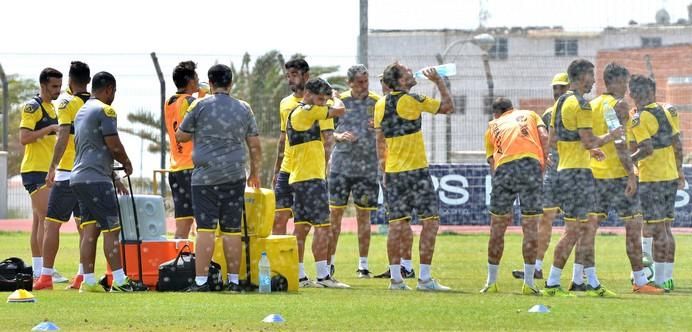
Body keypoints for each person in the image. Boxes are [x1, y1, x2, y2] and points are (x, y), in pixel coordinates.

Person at [176, 64, 262, 292]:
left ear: (210, 83)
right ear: (230, 83)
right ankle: (233, 281)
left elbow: (181, 136)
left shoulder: (199, 105)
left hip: (204, 177)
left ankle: (201, 281)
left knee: (205, 229)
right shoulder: (244, 108)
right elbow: (254, 145)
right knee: (232, 230)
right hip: (234, 175)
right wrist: (254, 172)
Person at [543, 59, 622, 297]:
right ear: (581, 77)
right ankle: (553, 282)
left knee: (581, 229)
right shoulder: (582, 104)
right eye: (591, 76)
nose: (594, 81)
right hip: (578, 174)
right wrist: (612, 135)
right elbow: (589, 140)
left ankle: (588, 282)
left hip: (564, 171)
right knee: (576, 231)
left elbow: (554, 141)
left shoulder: (560, 103)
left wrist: (585, 149)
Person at [374, 62, 454, 291]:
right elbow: (448, 107)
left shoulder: (380, 104)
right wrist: (439, 81)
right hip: (416, 172)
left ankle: (396, 280)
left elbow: (379, 140)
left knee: (396, 226)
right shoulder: (411, 100)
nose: (412, 72)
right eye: (407, 72)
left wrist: (384, 168)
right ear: (400, 81)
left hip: (394, 173)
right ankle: (425, 279)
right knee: (431, 222)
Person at [586, 64, 663, 294]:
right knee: (633, 226)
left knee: (588, 229)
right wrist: (631, 173)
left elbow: (589, 138)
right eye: (625, 82)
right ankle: (640, 281)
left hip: (595, 174)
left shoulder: (593, 104)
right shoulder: (618, 105)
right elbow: (619, 143)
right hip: (617, 175)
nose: (627, 87)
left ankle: (584, 278)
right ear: (616, 82)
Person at [71, 71, 146, 292]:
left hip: (79, 177)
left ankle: (89, 281)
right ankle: (121, 281)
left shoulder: (81, 111)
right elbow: (113, 144)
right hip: (96, 180)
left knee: (89, 231)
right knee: (112, 229)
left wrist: (113, 177)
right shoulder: (106, 110)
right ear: (109, 89)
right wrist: (127, 162)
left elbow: (89, 148)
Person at [271, 59, 336, 286]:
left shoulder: (315, 108)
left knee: (302, 225)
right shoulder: (291, 105)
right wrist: (277, 169)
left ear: (306, 76)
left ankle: (301, 274)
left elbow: (327, 138)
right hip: (294, 170)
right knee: (283, 220)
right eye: (288, 74)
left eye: (295, 74)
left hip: (305, 170)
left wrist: (324, 167)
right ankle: (290, 271)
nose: (291, 78)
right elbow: (283, 139)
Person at [481, 98, 548, 295]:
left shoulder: (492, 126)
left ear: (496, 114)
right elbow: (544, 136)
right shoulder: (529, 114)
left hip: (505, 169)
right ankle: (529, 284)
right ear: (512, 108)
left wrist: (501, 186)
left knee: (498, 228)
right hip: (530, 166)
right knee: (530, 228)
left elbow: (493, 162)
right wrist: (542, 163)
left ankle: (491, 283)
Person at [33, 61, 91, 290]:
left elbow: (63, 136)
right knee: (84, 228)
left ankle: (46, 276)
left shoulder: (67, 103)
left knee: (51, 224)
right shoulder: (96, 103)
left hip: (68, 172)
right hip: (89, 173)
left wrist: (52, 167)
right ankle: (81, 276)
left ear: (70, 80)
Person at [511, 72, 569, 281]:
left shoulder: (580, 110)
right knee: (545, 219)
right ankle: (536, 266)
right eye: (555, 88)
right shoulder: (548, 114)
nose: (558, 92)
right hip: (554, 172)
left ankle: (581, 275)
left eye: (562, 87)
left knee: (580, 223)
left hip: (575, 170)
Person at [629, 74, 684, 292]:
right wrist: (679, 170)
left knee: (656, 229)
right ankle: (666, 277)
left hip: (652, 178)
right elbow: (677, 144)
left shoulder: (639, 117)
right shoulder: (668, 110)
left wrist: (628, 161)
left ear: (633, 94)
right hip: (669, 176)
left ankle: (658, 281)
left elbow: (646, 148)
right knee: (666, 229)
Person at [327, 65, 381, 278]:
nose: (363, 85)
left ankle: (363, 265)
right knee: (335, 217)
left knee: (364, 217)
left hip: (367, 169)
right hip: (341, 167)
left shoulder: (377, 102)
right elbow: (326, 132)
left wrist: (376, 127)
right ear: (350, 83)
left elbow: (385, 132)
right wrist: (340, 137)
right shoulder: (340, 102)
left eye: (365, 81)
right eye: (359, 82)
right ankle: (329, 264)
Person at [19, 67, 62, 280]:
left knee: (39, 221)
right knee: (48, 220)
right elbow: (24, 138)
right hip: (34, 170)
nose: (58, 91)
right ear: (43, 85)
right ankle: (47, 270)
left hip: (46, 171)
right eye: (54, 86)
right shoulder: (32, 107)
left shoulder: (52, 108)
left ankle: (38, 269)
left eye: (60, 86)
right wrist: (49, 129)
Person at [373, 74, 416, 280]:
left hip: (398, 171)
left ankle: (403, 267)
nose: (382, 85)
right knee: (399, 221)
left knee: (399, 221)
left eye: (384, 81)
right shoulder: (382, 106)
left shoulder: (401, 102)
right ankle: (401, 266)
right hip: (394, 169)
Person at [165, 61, 199, 239]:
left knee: (183, 224)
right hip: (192, 168)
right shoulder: (190, 102)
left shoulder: (169, 102)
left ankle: (178, 264)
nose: (199, 80)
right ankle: (206, 262)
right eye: (196, 77)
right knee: (204, 222)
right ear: (190, 81)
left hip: (176, 169)